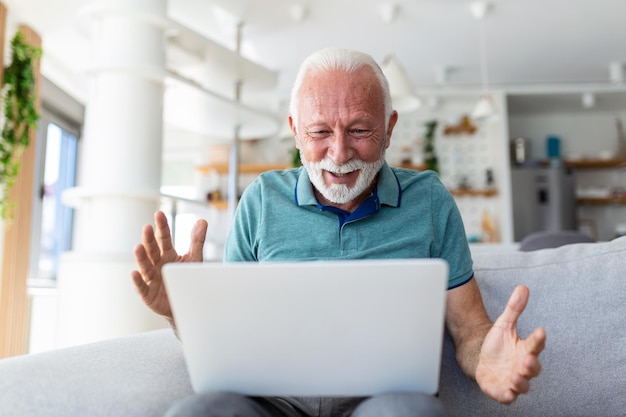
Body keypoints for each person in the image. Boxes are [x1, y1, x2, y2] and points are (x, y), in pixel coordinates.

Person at [132, 48, 546, 417]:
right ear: (295, 129)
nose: (339, 152)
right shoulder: (260, 199)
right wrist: (179, 311)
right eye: (320, 132)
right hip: (270, 401)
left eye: (360, 130)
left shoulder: (430, 200)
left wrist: (486, 357)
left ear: (389, 127)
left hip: (385, 400)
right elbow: (227, 338)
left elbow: (468, 327)